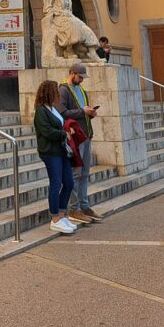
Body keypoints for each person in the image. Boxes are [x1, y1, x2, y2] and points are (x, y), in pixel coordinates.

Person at [58, 60, 101, 223]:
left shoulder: (81, 90)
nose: (82, 80)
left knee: (84, 173)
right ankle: (73, 209)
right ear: (72, 73)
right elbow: (62, 113)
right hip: (75, 138)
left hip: (86, 135)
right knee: (75, 173)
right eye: (80, 77)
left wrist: (90, 113)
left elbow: (81, 111)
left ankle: (84, 206)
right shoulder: (63, 90)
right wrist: (82, 111)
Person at [33, 80, 78, 234]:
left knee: (69, 183)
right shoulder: (41, 111)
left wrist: (68, 129)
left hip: (61, 150)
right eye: (56, 92)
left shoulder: (53, 109)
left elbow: (60, 124)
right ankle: (55, 218)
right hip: (50, 152)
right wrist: (63, 133)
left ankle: (62, 213)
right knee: (56, 183)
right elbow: (46, 131)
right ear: (49, 92)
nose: (58, 95)